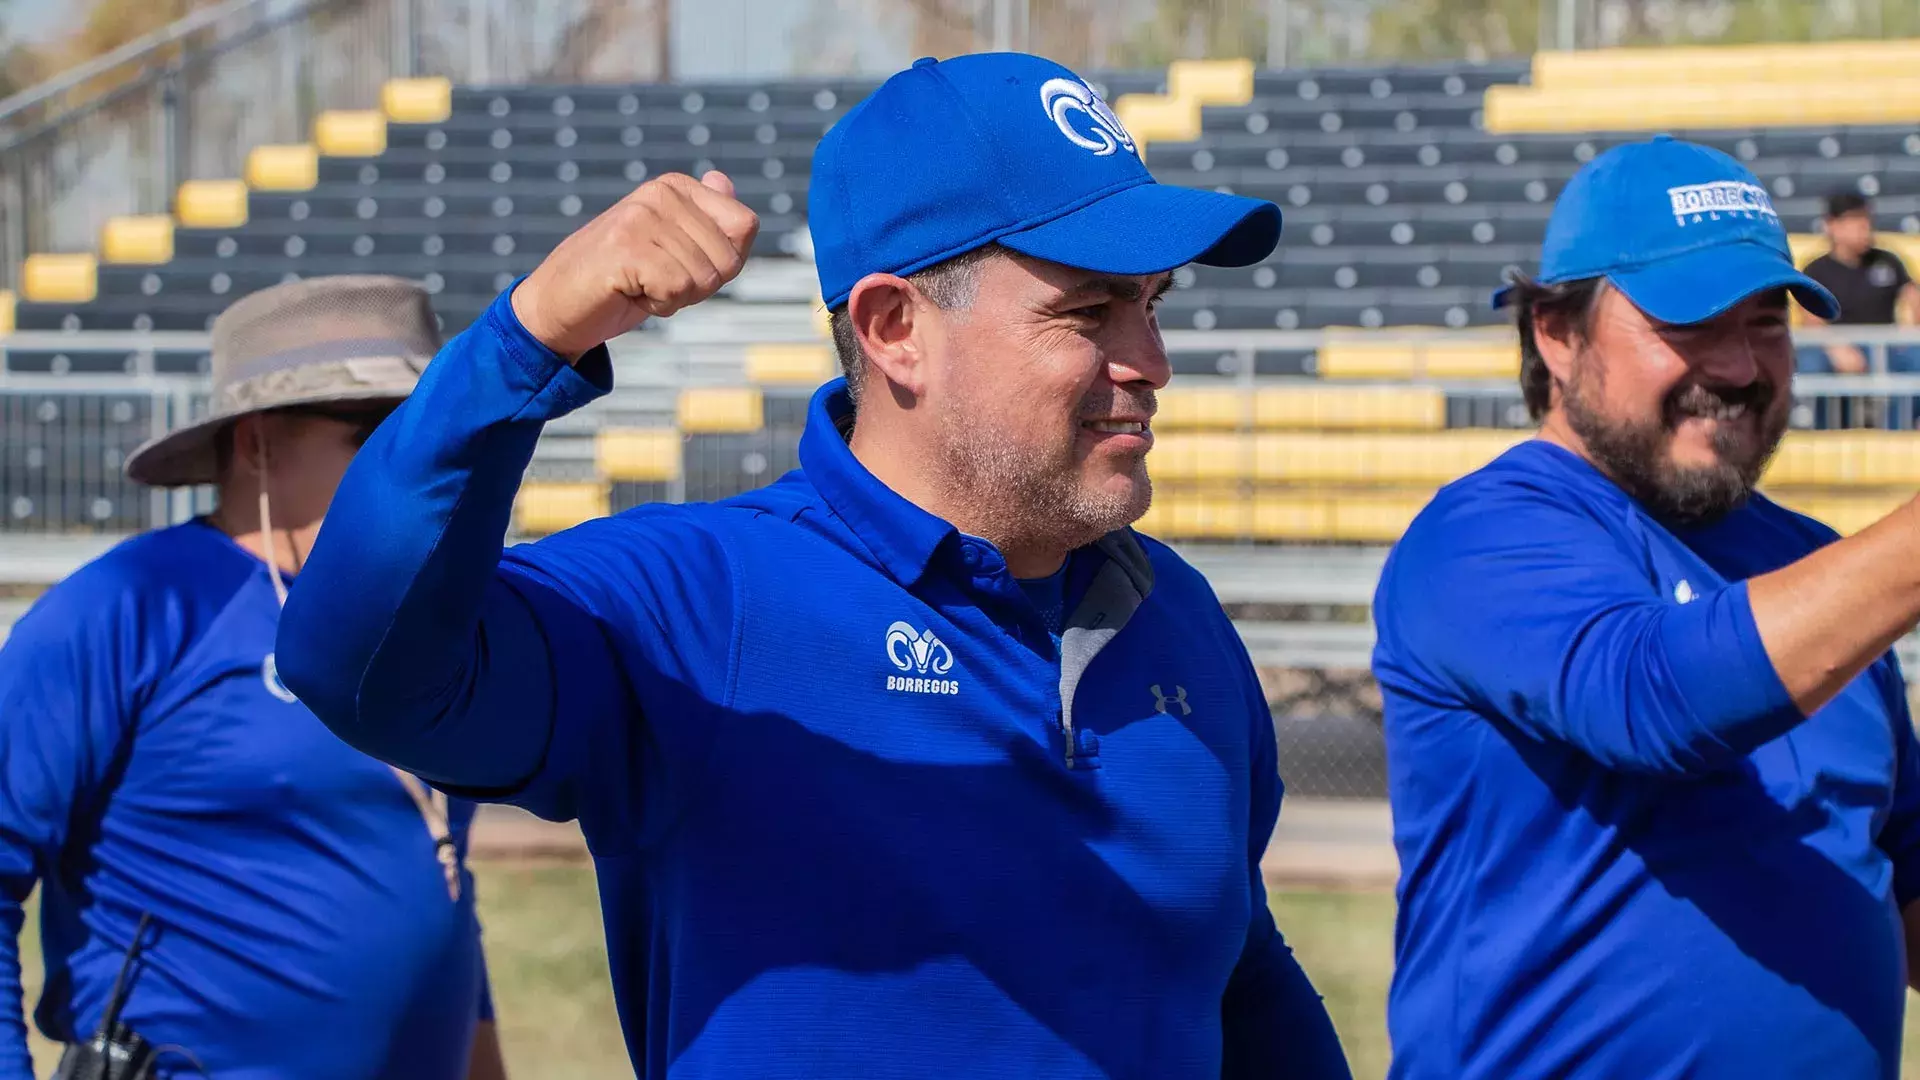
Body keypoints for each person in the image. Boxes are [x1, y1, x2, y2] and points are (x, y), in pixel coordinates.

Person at [276, 53, 1352, 1079]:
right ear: (894, 329)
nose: (1151, 363)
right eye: (1088, 312)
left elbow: (1233, 974)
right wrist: (528, 341)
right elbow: (358, 667)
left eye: (1153, 304)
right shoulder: (699, 602)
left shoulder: (1178, 619)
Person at [1372, 132, 1920, 1079]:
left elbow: (1900, 871)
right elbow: (1653, 695)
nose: (1742, 367)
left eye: (1767, 322)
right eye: (1693, 323)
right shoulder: (1479, 538)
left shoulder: (1819, 567)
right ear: (1557, 332)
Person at [0, 277, 505, 1080]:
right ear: (257, 443)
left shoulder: (441, 614)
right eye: (383, 432)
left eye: (437, 430)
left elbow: (441, 878)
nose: (424, 460)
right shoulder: (128, 607)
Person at [1799, 192, 1920, 375]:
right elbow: (1811, 322)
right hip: (1837, 346)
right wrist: (1837, 348)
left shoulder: (1887, 261)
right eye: (1855, 220)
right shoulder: (1816, 270)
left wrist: (1908, 334)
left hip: (1887, 347)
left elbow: (1913, 297)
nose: (1865, 227)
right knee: (1812, 363)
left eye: (1867, 220)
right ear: (1833, 225)